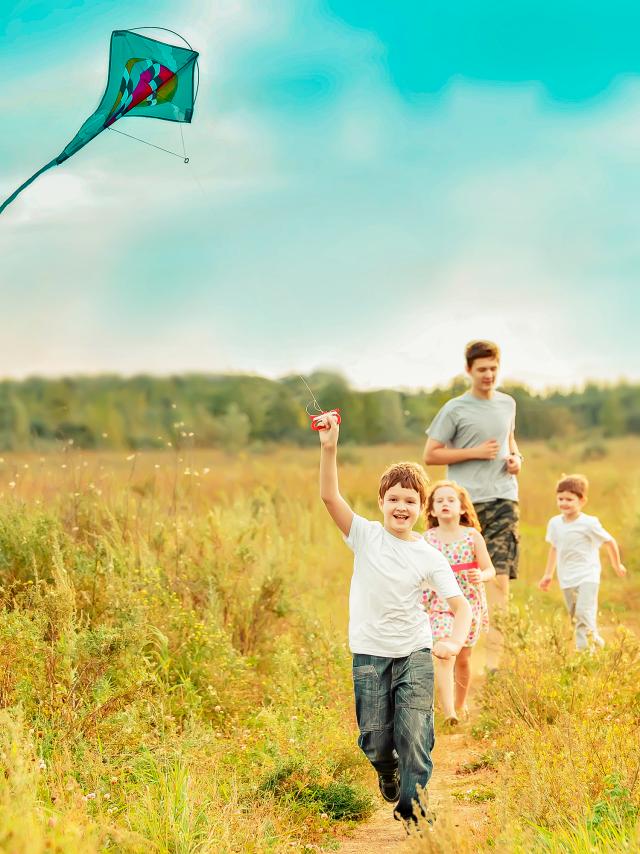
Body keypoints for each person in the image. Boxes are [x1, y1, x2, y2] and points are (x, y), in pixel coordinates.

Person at [316, 411, 472, 826]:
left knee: (416, 735)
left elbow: (461, 607)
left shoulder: (428, 554)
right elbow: (330, 498)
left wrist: (453, 643)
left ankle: (415, 812)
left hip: (414, 652)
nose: (401, 507)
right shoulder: (365, 535)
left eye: (410, 501)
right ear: (381, 502)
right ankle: (387, 772)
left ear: (423, 509)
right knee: (376, 741)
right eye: (394, 499)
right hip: (369, 653)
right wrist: (329, 448)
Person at [423, 340, 521, 671]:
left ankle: (494, 665)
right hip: (465, 507)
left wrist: (516, 460)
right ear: (469, 370)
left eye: (493, 369)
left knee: (498, 579)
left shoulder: (508, 404)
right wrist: (473, 452)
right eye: (482, 370)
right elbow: (431, 454)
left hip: (504, 499)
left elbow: (511, 444)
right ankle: (459, 649)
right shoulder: (454, 409)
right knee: (459, 583)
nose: (488, 375)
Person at [423, 480, 495, 725]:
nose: (445, 504)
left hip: (469, 602)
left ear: (462, 508)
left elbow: (489, 569)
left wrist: (481, 575)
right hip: (439, 602)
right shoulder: (427, 539)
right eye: (439, 500)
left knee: (463, 658)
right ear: (431, 510)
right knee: (445, 654)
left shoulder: (472, 536)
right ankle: (449, 713)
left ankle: (460, 704)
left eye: (450, 500)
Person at [538, 474, 626, 650]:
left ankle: (585, 656)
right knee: (577, 618)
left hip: (588, 576)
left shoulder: (589, 523)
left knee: (583, 615)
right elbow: (554, 548)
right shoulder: (555, 523)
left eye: (569, 499)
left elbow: (610, 542)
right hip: (566, 578)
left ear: (582, 500)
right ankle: (598, 643)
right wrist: (548, 574)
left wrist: (617, 564)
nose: (564, 503)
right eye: (560, 499)